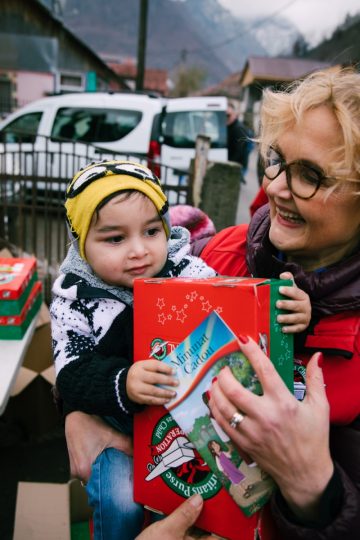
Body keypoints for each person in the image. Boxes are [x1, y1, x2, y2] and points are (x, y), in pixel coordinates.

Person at [64, 68, 360, 539]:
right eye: (278, 160)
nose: (279, 187)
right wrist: (79, 414)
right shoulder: (219, 253)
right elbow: (108, 341)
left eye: (311, 175)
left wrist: (311, 487)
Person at [50, 160, 217, 540]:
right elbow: (71, 373)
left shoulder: (188, 272)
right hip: (112, 428)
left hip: (185, 425)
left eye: (151, 231)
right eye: (115, 239)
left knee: (203, 505)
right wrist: (122, 382)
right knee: (122, 502)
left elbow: (237, 312)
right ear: (81, 244)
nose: (139, 250)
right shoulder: (74, 298)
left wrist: (282, 306)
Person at [226, 101, 253, 182]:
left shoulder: (238, 129)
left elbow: (239, 151)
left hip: (237, 165)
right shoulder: (229, 126)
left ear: (235, 115)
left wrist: (229, 164)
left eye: (228, 115)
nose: (226, 117)